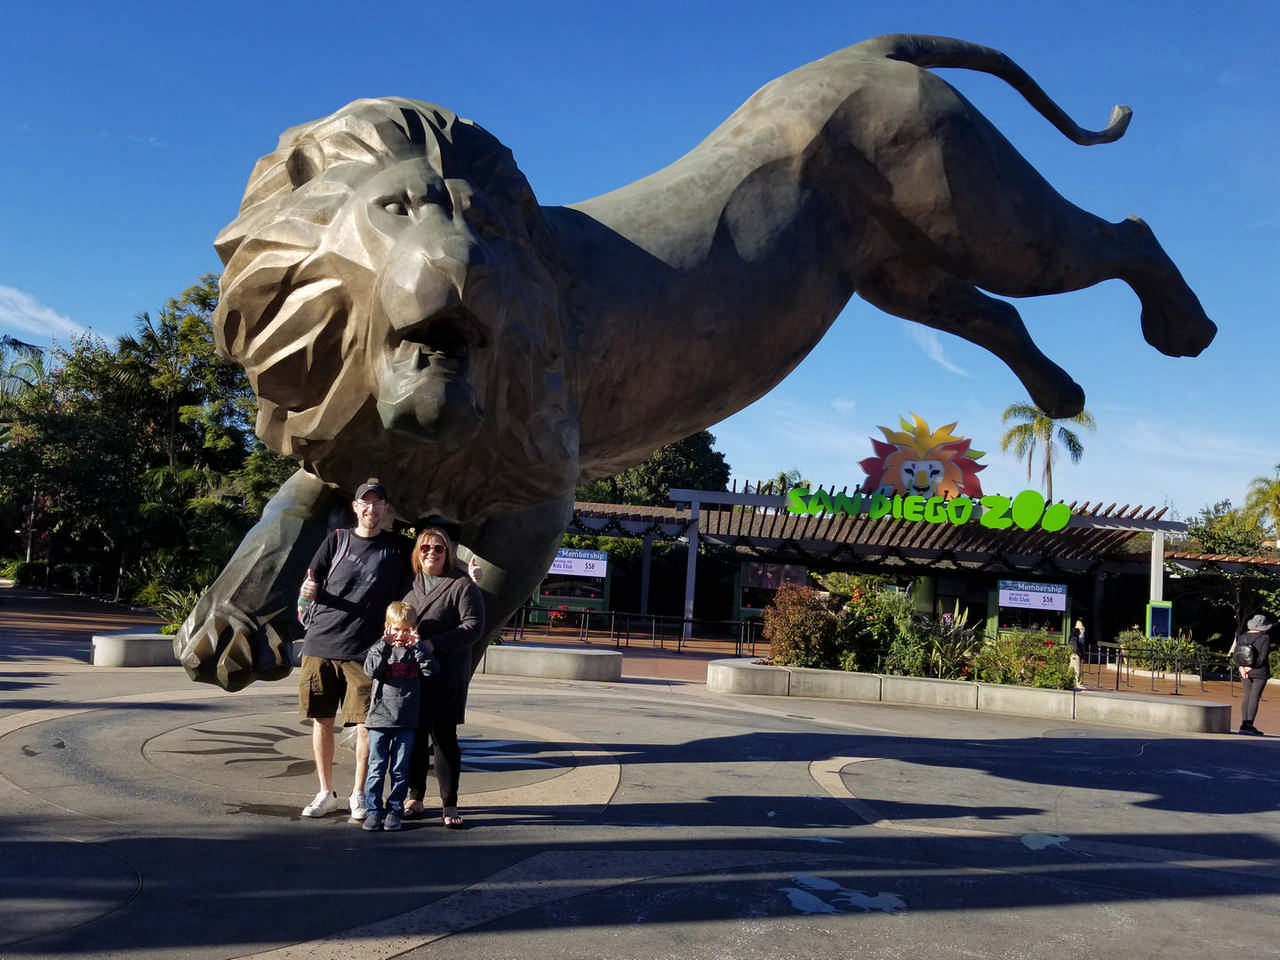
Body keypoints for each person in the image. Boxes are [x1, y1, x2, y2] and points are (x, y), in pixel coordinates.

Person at [297, 479, 410, 819]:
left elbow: (433, 557)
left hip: (364, 651)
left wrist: (468, 571)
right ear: (356, 507)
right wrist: (306, 596)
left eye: (378, 504)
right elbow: (310, 582)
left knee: (364, 726)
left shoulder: (397, 548)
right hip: (322, 642)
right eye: (366, 503)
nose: (371, 509)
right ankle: (324, 791)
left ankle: (358, 794)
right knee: (322, 720)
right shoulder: (337, 541)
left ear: (386, 509)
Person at [402, 527, 485, 828]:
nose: (431, 553)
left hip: (446, 673)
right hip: (411, 674)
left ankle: (449, 804)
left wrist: (435, 643)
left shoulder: (462, 586)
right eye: (425, 548)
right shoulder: (410, 583)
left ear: (448, 553)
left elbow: (474, 626)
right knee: (414, 735)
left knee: (444, 738)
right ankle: (415, 795)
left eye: (439, 548)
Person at [361, 601, 438, 831]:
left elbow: (431, 670)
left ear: (414, 629)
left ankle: (394, 808)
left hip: (406, 719)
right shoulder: (378, 647)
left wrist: (418, 647)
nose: (401, 635)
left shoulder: (416, 650)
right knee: (376, 767)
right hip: (379, 718)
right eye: (396, 629)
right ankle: (373, 810)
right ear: (387, 627)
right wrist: (385, 646)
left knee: (400, 768)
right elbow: (370, 670)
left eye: (406, 629)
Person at [1235, 613, 1272, 736]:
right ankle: (1249, 725)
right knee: (1254, 697)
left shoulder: (1242, 636)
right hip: (1258, 671)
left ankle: (1243, 724)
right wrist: (1250, 668)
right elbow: (1262, 657)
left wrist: (1242, 668)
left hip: (1243, 670)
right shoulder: (1264, 638)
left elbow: (1237, 654)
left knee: (1247, 696)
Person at [1068, 619, 1086, 689]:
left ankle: (1069, 682)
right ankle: (1078, 683)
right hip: (1076, 654)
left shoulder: (1073, 636)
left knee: (1071, 668)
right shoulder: (1076, 637)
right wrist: (1078, 653)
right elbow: (1077, 645)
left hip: (1073, 654)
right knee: (1077, 670)